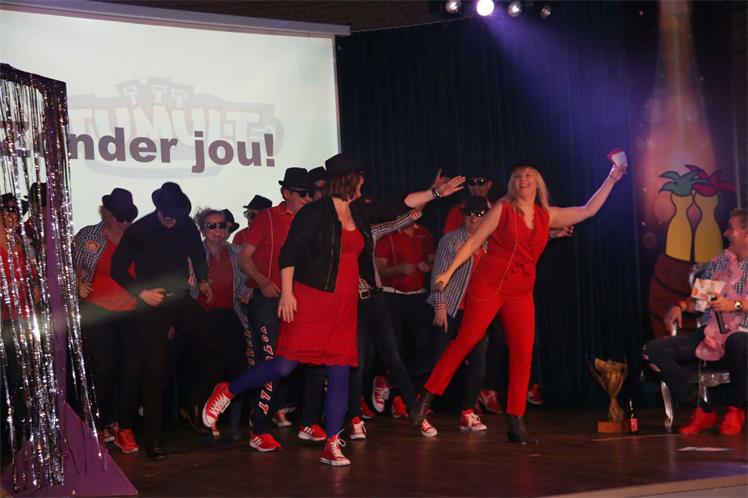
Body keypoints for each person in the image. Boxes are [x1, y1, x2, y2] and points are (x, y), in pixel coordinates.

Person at [202, 154, 464, 466]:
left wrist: (436, 193)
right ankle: (228, 390)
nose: (364, 183)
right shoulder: (315, 212)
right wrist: (288, 294)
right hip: (312, 298)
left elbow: (401, 204)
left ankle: (332, 444)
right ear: (349, 180)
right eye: (360, 178)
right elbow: (290, 253)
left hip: (344, 303)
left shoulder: (358, 212)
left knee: (340, 370)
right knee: (284, 366)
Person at [411, 158, 627, 444]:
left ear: (538, 183)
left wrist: (612, 177)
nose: (523, 179)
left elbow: (588, 210)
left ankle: (515, 420)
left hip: (521, 290)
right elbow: (473, 242)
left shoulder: (546, 216)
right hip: (490, 283)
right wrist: (448, 272)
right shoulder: (501, 209)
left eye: (529, 175)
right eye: (518, 176)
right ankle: (426, 398)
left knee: (523, 352)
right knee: (467, 340)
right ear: (513, 184)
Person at [111, 182, 227, 458]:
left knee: (219, 345)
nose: (172, 220)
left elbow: (197, 254)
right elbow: (118, 268)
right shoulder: (140, 229)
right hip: (152, 301)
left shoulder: (186, 225)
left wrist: (203, 280)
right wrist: (141, 293)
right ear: (159, 209)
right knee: (155, 371)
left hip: (181, 299)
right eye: (168, 215)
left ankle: (193, 403)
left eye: (176, 215)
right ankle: (153, 440)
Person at [234, 168, 326, 452]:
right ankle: (259, 428)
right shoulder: (268, 218)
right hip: (269, 300)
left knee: (314, 360)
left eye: (311, 193)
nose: (308, 198)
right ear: (286, 193)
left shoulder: (315, 219)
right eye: (302, 194)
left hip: (303, 301)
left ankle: (309, 422)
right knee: (271, 361)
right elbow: (244, 258)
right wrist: (262, 282)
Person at [642, 208, 747, 435]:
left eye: (731, 228)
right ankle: (701, 409)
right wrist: (680, 306)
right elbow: (700, 300)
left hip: (742, 334)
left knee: (739, 342)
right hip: (710, 333)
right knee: (652, 351)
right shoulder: (720, 262)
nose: (726, 233)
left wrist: (734, 305)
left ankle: (735, 410)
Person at [73, 188, 140, 453]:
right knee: (102, 371)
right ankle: (95, 427)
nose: (124, 223)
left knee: (131, 371)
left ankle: (124, 427)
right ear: (107, 214)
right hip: (98, 310)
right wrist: (76, 283)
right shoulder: (88, 236)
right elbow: (68, 267)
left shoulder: (137, 237)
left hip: (131, 310)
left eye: (128, 218)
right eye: (119, 217)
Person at [427, 196, 491, 431]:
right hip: (452, 307)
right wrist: (440, 307)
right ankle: (419, 403)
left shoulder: (491, 242)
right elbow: (438, 274)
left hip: (477, 312)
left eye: (479, 214)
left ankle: (468, 411)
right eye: (470, 214)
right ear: (463, 216)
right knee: (438, 359)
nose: (474, 219)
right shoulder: (451, 239)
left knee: (478, 361)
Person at [192, 208, 251, 440]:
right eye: (211, 225)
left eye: (221, 225)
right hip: (201, 318)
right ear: (202, 229)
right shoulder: (194, 254)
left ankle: (235, 425)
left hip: (230, 314)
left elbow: (245, 286)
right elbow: (186, 289)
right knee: (208, 369)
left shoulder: (237, 252)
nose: (217, 230)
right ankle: (207, 423)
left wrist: (251, 291)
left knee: (239, 368)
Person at [374, 217, 435, 417]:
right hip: (393, 296)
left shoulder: (423, 232)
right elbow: (379, 268)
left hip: (418, 296)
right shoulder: (388, 234)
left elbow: (433, 258)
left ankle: (399, 388)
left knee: (424, 349)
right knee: (395, 349)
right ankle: (396, 398)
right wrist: (399, 268)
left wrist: (427, 264)